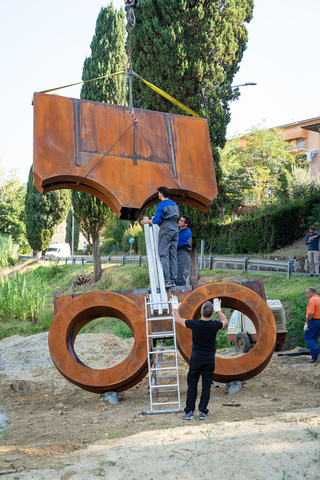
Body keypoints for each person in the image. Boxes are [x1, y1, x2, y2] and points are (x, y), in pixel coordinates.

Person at [172, 296, 228, 420]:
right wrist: (219, 311)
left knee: (192, 384)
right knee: (206, 385)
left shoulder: (194, 323)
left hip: (196, 359)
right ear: (211, 313)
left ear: (201, 312)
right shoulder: (215, 325)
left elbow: (177, 319)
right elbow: (225, 321)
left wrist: (175, 307)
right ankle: (203, 411)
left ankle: (189, 412)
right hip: (209, 360)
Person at [141, 186, 179, 287]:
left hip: (166, 230)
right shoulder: (175, 204)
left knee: (164, 254)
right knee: (173, 254)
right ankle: (174, 279)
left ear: (161, 194)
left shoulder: (161, 205)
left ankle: (167, 280)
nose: (158, 194)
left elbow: (156, 220)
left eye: (158, 193)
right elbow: (170, 216)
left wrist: (147, 221)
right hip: (175, 229)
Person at [304, 287, 320, 363]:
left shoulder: (313, 300)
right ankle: (314, 358)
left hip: (313, 321)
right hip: (319, 322)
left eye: (307, 293)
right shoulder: (319, 299)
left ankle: (318, 353)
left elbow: (310, 313)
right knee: (314, 339)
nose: (306, 295)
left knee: (307, 337)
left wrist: (307, 323)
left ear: (310, 292)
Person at [177, 215, 192, 286]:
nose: (179, 221)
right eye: (180, 220)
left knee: (180, 280)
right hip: (178, 255)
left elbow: (177, 244)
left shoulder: (186, 233)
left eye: (181, 221)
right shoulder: (180, 231)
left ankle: (179, 295)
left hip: (182, 256)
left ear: (186, 224)